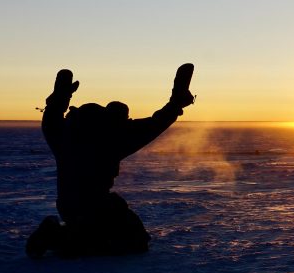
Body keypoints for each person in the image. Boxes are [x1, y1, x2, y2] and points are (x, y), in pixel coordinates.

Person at [26, 64, 195, 258]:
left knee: (105, 228)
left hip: (67, 205)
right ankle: (59, 236)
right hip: (96, 207)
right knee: (133, 242)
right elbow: (153, 125)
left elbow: (51, 118)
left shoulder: (64, 134)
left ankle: (67, 233)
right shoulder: (112, 139)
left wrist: (60, 95)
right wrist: (175, 103)